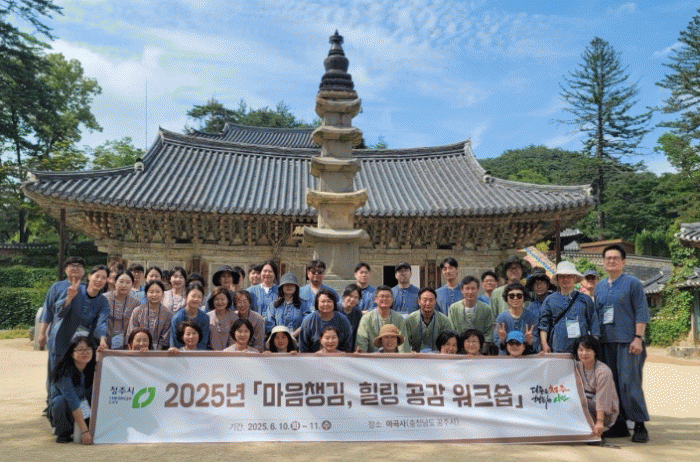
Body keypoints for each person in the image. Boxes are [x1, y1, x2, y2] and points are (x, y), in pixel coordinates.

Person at [594, 244, 650, 443]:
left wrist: (638, 337)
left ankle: (640, 425)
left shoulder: (632, 283)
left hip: (628, 341)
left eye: (616, 258)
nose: (611, 261)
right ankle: (619, 424)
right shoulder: (599, 286)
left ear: (623, 261)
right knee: (612, 383)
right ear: (603, 262)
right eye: (608, 258)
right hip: (606, 341)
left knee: (629, 382)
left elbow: (641, 311)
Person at [40, 263, 110, 396]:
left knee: (77, 377)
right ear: (89, 276)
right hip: (62, 340)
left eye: (103, 277)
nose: (99, 280)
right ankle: (55, 404)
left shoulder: (103, 301)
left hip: (81, 345)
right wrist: (69, 298)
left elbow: (101, 322)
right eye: (97, 276)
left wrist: (102, 340)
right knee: (57, 376)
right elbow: (58, 311)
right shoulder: (75, 290)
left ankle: (73, 405)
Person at [539, 261, 599, 354]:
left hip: (582, 350)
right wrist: (544, 344)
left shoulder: (585, 299)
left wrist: (593, 344)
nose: (565, 279)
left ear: (575, 278)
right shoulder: (550, 300)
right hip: (558, 347)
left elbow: (594, 323)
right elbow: (544, 324)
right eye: (562, 276)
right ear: (557, 279)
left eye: (569, 276)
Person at [48, 336, 96, 444]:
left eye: (88, 349)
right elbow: (73, 402)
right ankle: (63, 432)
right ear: (71, 353)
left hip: (84, 408)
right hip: (67, 410)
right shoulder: (63, 372)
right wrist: (84, 431)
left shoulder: (93, 368)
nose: (85, 352)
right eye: (80, 349)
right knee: (60, 401)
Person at [573, 335, 620, 437]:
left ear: (595, 352)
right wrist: (542, 356)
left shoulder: (603, 371)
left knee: (578, 400)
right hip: (586, 404)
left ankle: (595, 429)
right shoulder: (576, 366)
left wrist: (600, 422)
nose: (584, 353)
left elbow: (602, 398)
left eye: (588, 350)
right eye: (580, 350)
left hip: (604, 412)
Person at [355, 285, 410, 353]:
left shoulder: (399, 318)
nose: (385, 299)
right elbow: (362, 342)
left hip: (394, 357)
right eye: (382, 296)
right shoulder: (367, 318)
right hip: (372, 357)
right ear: (375, 299)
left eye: (388, 296)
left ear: (392, 299)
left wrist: (403, 357)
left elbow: (403, 344)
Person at [448, 276, 494, 353]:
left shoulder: (486, 309)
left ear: (478, 290)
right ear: (462, 290)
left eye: (473, 288)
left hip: (479, 352)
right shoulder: (454, 308)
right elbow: (451, 330)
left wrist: (482, 353)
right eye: (467, 288)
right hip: (459, 350)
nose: (470, 292)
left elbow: (488, 334)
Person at [298, 288, 353, 353]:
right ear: (317, 303)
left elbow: (347, 345)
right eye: (323, 301)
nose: (326, 304)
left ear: (334, 303)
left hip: (339, 357)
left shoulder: (343, 320)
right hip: (313, 357)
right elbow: (303, 346)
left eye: (329, 301)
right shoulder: (309, 320)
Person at [494, 283, 538, 354]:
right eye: (511, 296)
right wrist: (502, 340)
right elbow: (497, 341)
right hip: (506, 357)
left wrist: (529, 341)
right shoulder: (501, 318)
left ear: (524, 298)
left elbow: (536, 341)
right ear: (506, 298)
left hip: (527, 356)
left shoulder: (532, 317)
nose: (515, 298)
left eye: (519, 296)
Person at [405, 288, 454, 352]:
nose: (428, 303)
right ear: (419, 301)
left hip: (438, 356)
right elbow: (405, 343)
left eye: (431, 300)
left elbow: (447, 342)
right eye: (425, 300)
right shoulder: (410, 320)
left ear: (435, 301)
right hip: (415, 356)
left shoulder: (444, 320)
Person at [127, 280, 172, 350]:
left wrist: (155, 352)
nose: (154, 295)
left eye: (158, 292)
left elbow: (165, 336)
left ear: (163, 293)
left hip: (159, 351)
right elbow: (132, 333)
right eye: (151, 292)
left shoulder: (168, 313)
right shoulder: (137, 311)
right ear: (146, 293)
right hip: (138, 348)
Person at [104, 270, 141, 349]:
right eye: (121, 282)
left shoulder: (136, 303)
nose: (124, 285)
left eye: (128, 282)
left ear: (132, 284)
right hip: (104, 343)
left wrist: (129, 343)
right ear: (115, 282)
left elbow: (135, 326)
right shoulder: (104, 299)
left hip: (126, 344)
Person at [265, 273, 311, 337]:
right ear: (282, 287)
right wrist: (281, 337)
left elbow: (307, 322)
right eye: (286, 284)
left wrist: (293, 336)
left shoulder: (303, 305)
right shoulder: (273, 305)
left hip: (298, 340)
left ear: (296, 287)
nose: (289, 286)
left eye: (292, 284)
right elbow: (269, 324)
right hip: (278, 339)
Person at [169, 283, 210, 350]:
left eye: (199, 297)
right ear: (186, 296)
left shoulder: (205, 317)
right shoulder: (177, 317)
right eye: (193, 296)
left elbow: (204, 341)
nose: (196, 299)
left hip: (199, 354)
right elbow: (174, 342)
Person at [207, 286, 236, 350]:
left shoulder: (234, 317)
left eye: (223, 299)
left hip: (229, 353)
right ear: (212, 301)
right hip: (210, 354)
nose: (220, 302)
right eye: (217, 299)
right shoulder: (207, 317)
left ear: (228, 300)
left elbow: (234, 340)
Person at [339, 284, 363, 351]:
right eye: (350, 296)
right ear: (344, 296)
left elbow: (357, 333)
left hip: (350, 350)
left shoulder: (357, 312)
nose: (352, 299)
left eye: (356, 297)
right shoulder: (336, 309)